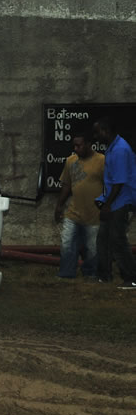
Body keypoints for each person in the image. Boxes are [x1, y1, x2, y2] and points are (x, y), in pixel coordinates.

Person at [53, 131, 104, 279]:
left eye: (79, 145)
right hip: (73, 213)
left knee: (92, 248)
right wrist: (59, 206)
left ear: (89, 144)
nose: (75, 149)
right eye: (74, 146)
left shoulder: (102, 161)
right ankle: (66, 273)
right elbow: (66, 185)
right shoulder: (71, 161)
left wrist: (107, 206)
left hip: (94, 215)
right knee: (67, 244)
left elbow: (110, 185)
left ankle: (90, 275)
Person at [93, 117, 136, 289]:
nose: (95, 136)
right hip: (114, 201)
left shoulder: (119, 150)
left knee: (118, 240)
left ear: (106, 131)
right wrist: (103, 200)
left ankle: (131, 278)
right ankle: (104, 276)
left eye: (97, 132)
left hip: (122, 202)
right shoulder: (112, 148)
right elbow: (112, 182)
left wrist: (107, 205)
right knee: (103, 239)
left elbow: (119, 183)